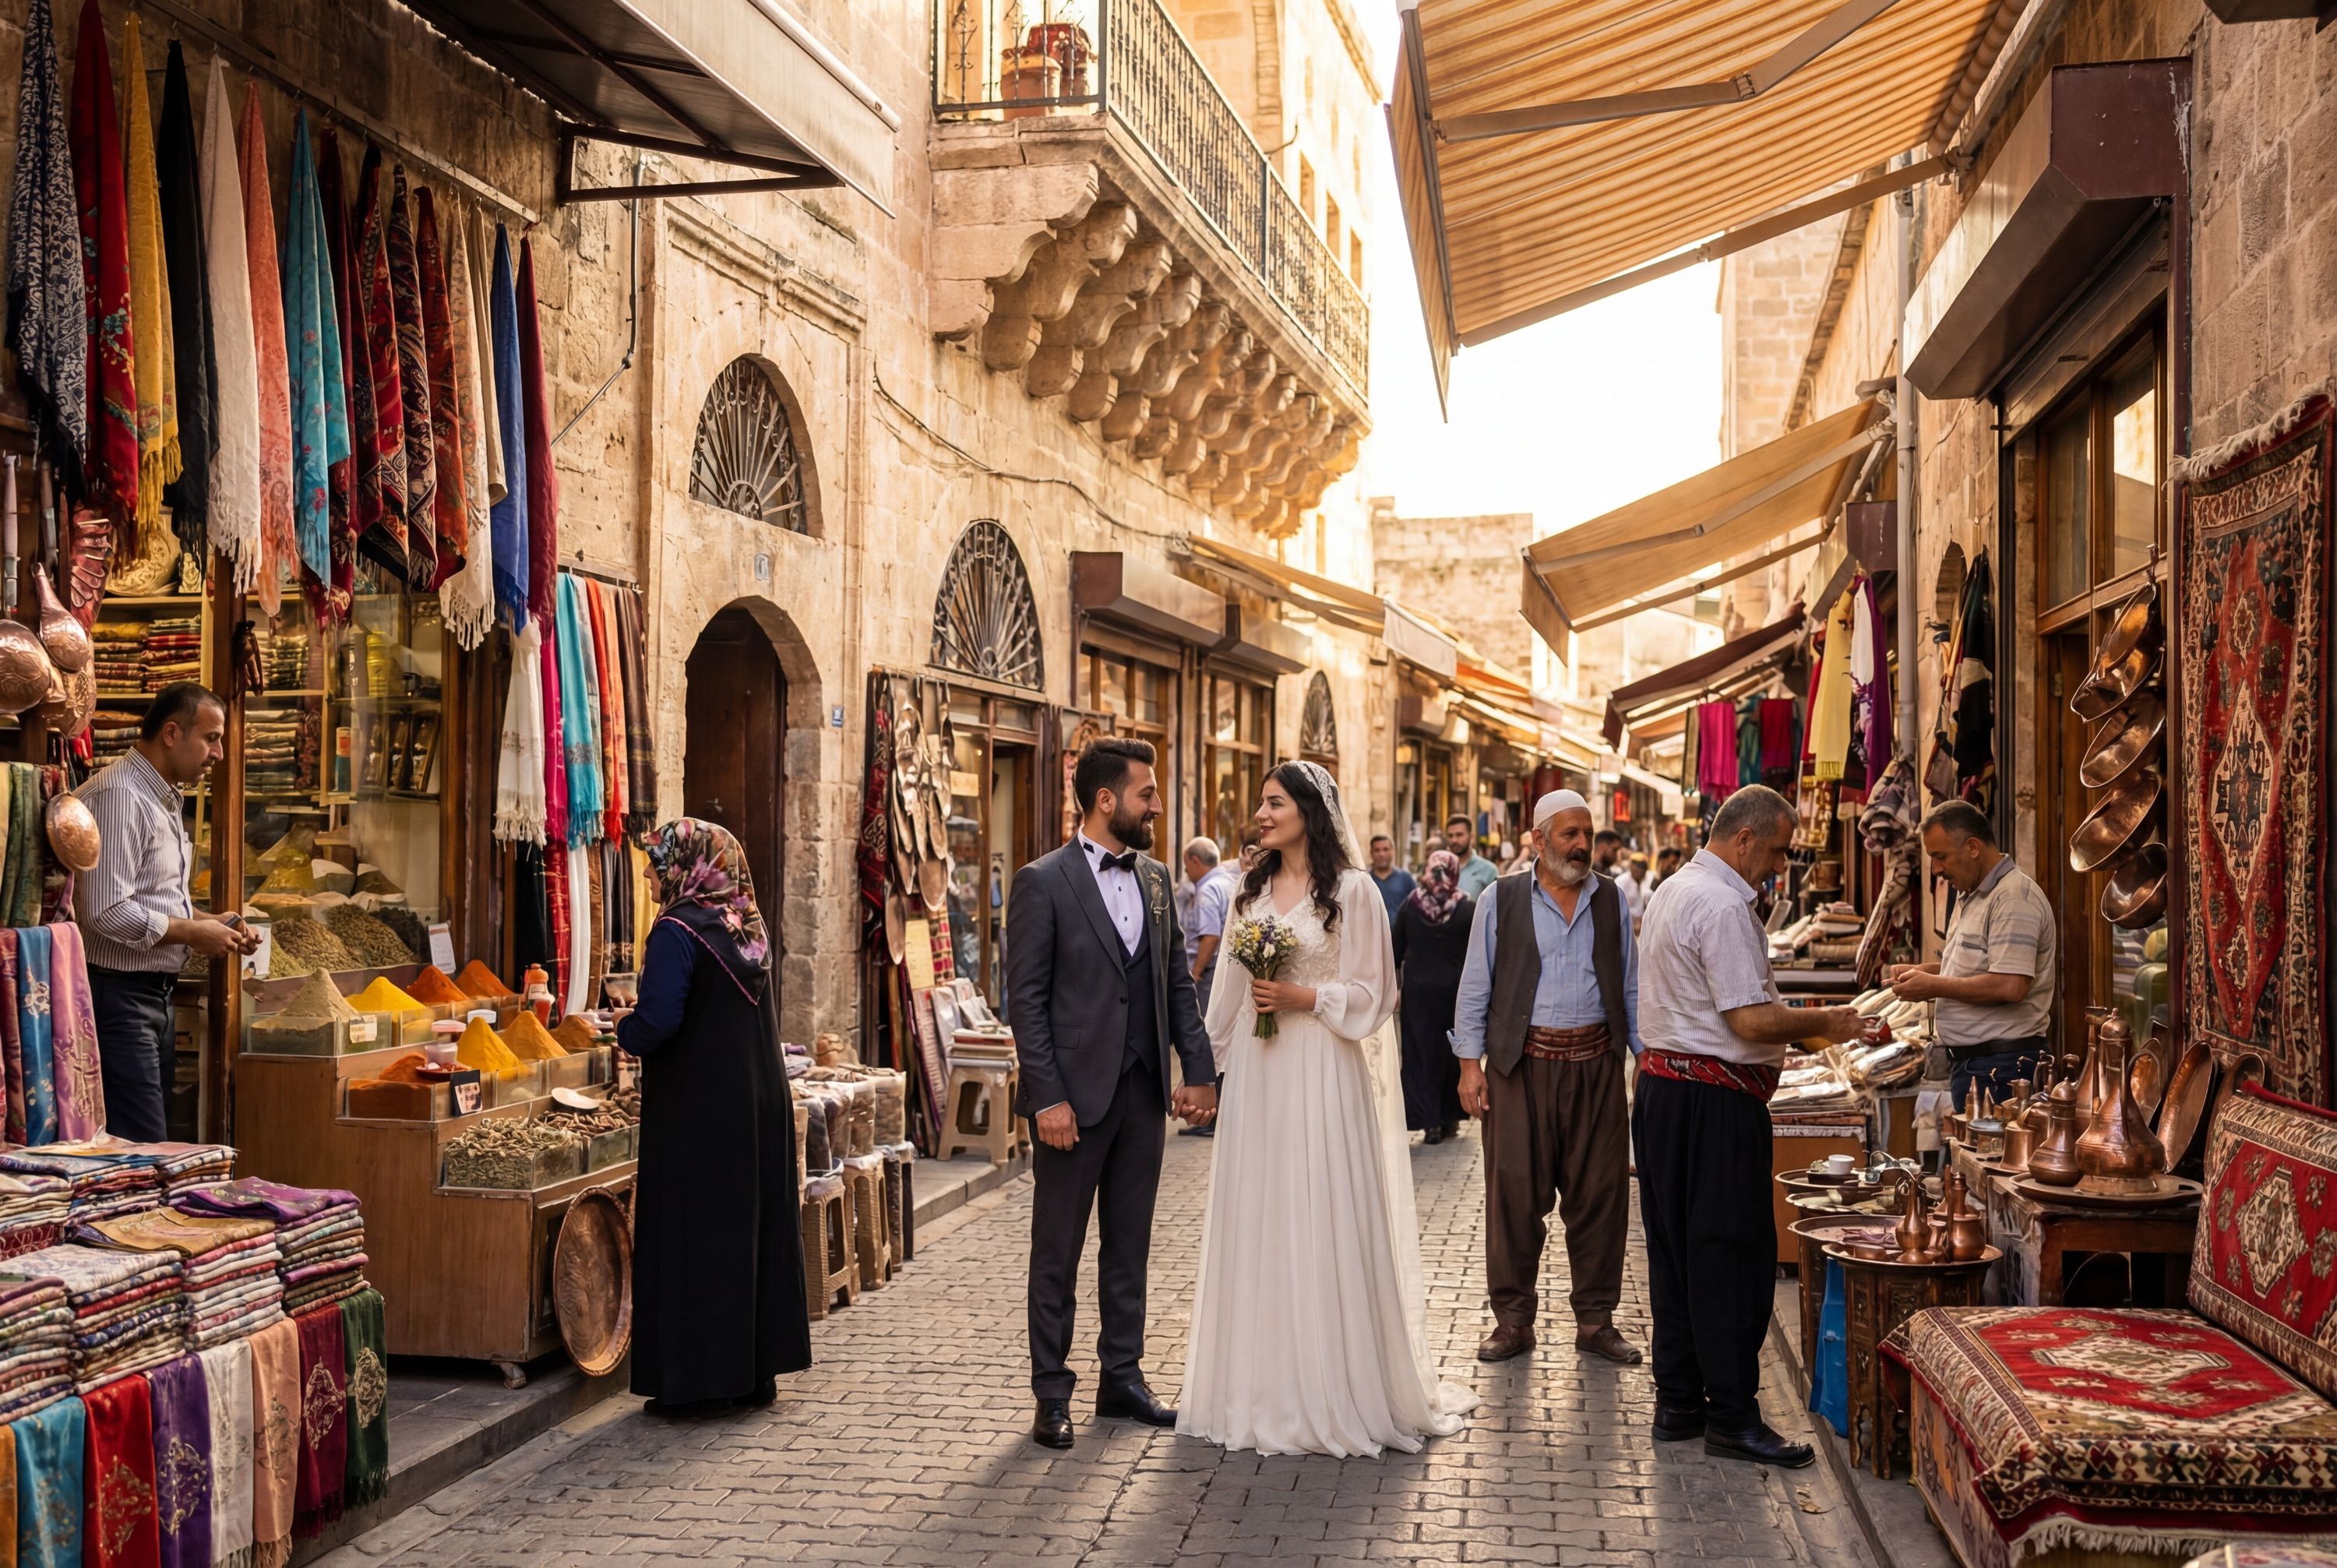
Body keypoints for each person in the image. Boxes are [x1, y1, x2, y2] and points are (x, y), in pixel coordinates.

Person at [1183, 761, 1478, 1456]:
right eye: (1260, 802)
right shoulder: (1247, 893)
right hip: (1261, 1077)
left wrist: (1305, 999)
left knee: (1321, 1207)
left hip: (1322, 1067)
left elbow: (1377, 994)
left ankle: (1336, 1383)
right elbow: (1226, 994)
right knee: (1261, 1211)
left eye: (1274, 801)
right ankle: (1257, 1383)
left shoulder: (1355, 892)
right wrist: (1206, 1072)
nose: (1260, 813)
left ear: (1309, 810)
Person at [1634, 785, 1862, 1468]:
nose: (1779, 866)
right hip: (1713, 1105)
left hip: (1665, 1097)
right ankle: (1731, 1415)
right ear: (1743, 839)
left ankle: (1678, 1400)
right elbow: (1749, 1021)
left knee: (1676, 1253)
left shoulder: (1675, 889)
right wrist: (1828, 1021)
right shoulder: (1725, 903)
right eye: (1777, 851)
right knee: (1730, 1256)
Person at [1007, 738, 1217, 1450]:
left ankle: (1121, 1377)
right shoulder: (1043, 881)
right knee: (1057, 1251)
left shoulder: (1158, 879)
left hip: (1140, 1095)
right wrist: (1047, 1098)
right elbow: (1026, 1003)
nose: (1157, 803)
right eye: (1147, 793)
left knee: (1130, 1246)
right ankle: (1051, 1394)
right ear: (1106, 801)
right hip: (1072, 1102)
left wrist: (1199, 1068)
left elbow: (1176, 986)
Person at [614, 818, 810, 1411]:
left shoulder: (676, 929)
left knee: (696, 1238)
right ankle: (752, 1376)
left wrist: (619, 1026)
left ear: (685, 864)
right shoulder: (743, 923)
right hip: (757, 1102)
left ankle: (697, 1387)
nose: (647, 874)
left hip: (701, 1109)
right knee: (746, 1234)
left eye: (654, 862)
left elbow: (659, 1022)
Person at [1450, 790, 1642, 1367]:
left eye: (1587, 833)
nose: (1582, 844)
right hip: (1519, 1068)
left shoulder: (1609, 900)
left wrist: (1647, 1062)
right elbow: (1475, 984)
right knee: (1513, 1197)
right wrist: (1469, 1065)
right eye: (1569, 834)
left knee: (1601, 1197)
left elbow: (1631, 987)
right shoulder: (1499, 898)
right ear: (1539, 839)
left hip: (1596, 1068)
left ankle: (1595, 1320)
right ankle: (1512, 1320)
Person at [74, 682, 257, 1140]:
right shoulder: (121, 796)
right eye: (211, 738)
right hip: (117, 998)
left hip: (152, 998)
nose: (218, 754)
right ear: (172, 733)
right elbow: (106, 911)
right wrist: (193, 935)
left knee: (149, 1141)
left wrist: (211, 921)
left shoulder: (161, 795)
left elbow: (148, 894)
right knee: (140, 1146)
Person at [1887, 799, 2057, 1108]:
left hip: (2003, 1068)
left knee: (1996, 1155)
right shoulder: (1973, 894)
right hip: (1978, 1065)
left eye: (1941, 857)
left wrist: (1934, 986)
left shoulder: (2013, 899)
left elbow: (2010, 985)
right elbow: (1976, 968)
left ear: (1973, 847)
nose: (1937, 870)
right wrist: (1927, 971)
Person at [1392, 850, 1471, 1144]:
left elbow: (1394, 949)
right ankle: (1451, 1117)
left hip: (1419, 996)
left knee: (1420, 1056)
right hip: (1456, 995)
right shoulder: (1465, 908)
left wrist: (1394, 988)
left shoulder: (1411, 906)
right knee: (1452, 1055)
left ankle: (1430, 1122)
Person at [1182, 837, 1243, 1140]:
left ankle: (1210, 1113)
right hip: (1231, 972)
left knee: (1210, 1039)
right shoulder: (1231, 883)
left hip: (1209, 975)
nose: (1186, 873)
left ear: (1195, 861)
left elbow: (1209, 937)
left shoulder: (1207, 891)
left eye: (1186, 866)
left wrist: (1194, 973)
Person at [1367, 833, 1416, 923]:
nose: (1382, 854)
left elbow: (1417, 907)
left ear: (1393, 851)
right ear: (1371, 853)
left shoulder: (1406, 878)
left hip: (1399, 935)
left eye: (1385, 849)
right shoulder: (1366, 880)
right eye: (1377, 850)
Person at [1447, 814, 1497, 898]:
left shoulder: (1489, 870)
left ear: (1471, 836)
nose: (1454, 840)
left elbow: (1495, 906)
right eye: (1450, 836)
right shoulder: (1442, 869)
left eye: (1459, 835)